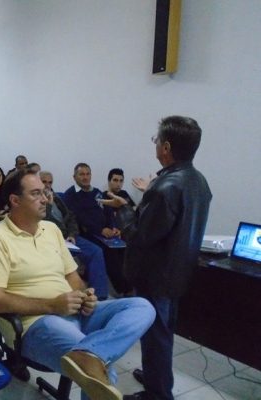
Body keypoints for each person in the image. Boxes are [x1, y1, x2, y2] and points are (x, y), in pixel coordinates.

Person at [0, 169, 155, 400]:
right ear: (15, 200)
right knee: (101, 372)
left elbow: (73, 279)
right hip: (36, 324)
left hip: (72, 311)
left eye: (45, 192)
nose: (45, 199)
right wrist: (52, 305)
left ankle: (91, 353)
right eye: (36, 193)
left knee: (142, 307)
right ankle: (90, 357)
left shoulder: (51, 230)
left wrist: (85, 296)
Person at [100, 116, 212, 400]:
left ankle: (158, 393)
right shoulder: (197, 181)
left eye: (156, 140)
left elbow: (139, 235)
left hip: (155, 275)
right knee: (163, 331)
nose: (155, 145)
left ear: (166, 147)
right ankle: (155, 375)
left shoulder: (165, 187)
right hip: (177, 273)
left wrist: (122, 209)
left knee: (155, 336)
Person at [64, 163, 132, 296]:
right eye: (81, 174)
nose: (85, 177)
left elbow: (108, 211)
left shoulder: (97, 192)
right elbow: (78, 217)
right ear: (74, 177)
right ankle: (124, 289)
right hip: (88, 232)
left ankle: (130, 284)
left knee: (125, 248)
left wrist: (113, 227)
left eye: (88, 174)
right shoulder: (70, 195)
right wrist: (100, 230)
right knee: (108, 251)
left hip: (106, 231)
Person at [39, 171, 109, 300]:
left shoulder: (57, 198)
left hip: (68, 237)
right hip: (51, 238)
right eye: (44, 182)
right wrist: (48, 204)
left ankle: (100, 295)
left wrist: (72, 234)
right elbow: (43, 221)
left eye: (50, 182)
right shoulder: (36, 201)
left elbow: (71, 217)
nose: (47, 185)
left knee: (96, 251)